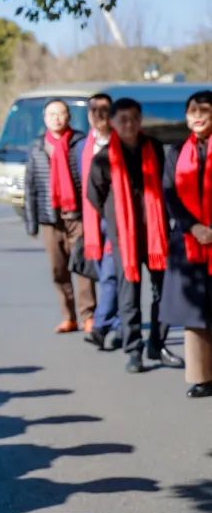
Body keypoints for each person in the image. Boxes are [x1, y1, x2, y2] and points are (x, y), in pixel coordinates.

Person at [86, 97, 184, 373]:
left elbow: (166, 184)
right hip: (124, 239)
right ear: (113, 123)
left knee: (163, 293)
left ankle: (157, 343)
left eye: (134, 119)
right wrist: (118, 218)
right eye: (123, 119)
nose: (129, 124)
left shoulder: (153, 147)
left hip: (156, 236)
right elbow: (95, 196)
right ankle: (133, 349)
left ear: (140, 120)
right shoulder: (103, 159)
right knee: (128, 297)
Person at [23, 99, 97, 334]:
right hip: (49, 217)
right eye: (51, 114)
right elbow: (30, 186)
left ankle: (89, 316)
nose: (56, 118)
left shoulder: (81, 143)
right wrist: (31, 222)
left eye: (61, 113)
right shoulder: (37, 147)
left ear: (69, 117)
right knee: (58, 270)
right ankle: (69, 317)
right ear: (45, 119)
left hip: (78, 216)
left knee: (84, 268)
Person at [161, 90, 212, 397]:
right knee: (197, 314)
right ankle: (202, 377)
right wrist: (193, 227)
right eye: (191, 111)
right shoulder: (177, 152)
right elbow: (170, 193)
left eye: (203, 110)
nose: (196, 116)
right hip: (190, 240)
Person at [80, 93, 122, 350]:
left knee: (109, 275)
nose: (98, 114)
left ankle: (100, 325)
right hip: (90, 221)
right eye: (93, 109)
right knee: (106, 275)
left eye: (104, 109)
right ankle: (117, 325)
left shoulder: (122, 144)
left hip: (116, 220)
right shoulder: (82, 147)